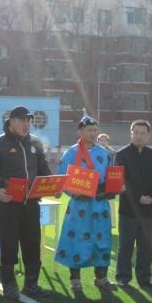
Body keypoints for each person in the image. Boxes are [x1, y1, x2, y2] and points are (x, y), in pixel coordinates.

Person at [0, 105, 52, 301]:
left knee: (32, 243)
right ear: (11, 122)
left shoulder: (35, 143)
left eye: (28, 120)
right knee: (8, 243)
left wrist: (53, 185)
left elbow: (43, 169)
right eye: (21, 120)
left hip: (32, 203)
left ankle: (31, 284)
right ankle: (9, 285)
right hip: (9, 204)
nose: (26, 124)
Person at [55, 113, 117, 292]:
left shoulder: (103, 153)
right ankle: (75, 279)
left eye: (95, 130)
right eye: (89, 130)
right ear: (80, 131)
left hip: (100, 204)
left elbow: (110, 176)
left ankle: (101, 278)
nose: (93, 133)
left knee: (102, 240)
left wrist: (114, 187)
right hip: (79, 205)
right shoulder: (71, 153)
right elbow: (62, 178)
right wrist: (71, 192)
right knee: (76, 239)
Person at [113, 120, 152, 289]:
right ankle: (123, 277)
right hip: (127, 210)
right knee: (125, 246)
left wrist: (151, 197)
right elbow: (120, 180)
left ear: (148, 135)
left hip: (148, 210)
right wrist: (137, 198)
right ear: (131, 134)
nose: (139, 136)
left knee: (146, 246)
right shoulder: (121, 155)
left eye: (142, 133)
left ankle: (144, 278)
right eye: (136, 133)